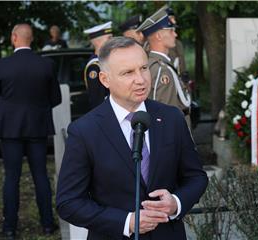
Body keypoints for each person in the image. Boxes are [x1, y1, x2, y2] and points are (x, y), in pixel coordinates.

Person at [56, 37, 208, 240]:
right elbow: (68, 202)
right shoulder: (84, 131)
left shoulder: (172, 118)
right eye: (128, 72)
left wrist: (176, 203)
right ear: (104, 79)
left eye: (143, 68)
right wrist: (126, 222)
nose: (141, 79)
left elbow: (196, 177)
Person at [0, 23, 61, 240]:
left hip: (10, 129)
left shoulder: (2, 64)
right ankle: (47, 224)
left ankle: (9, 228)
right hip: (37, 127)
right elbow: (56, 98)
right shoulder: (46, 65)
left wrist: (7, 111)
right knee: (41, 176)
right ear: (31, 38)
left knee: (12, 178)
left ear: (14, 38)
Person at [137, 6, 192, 125]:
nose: (175, 35)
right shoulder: (161, 70)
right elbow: (162, 115)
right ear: (159, 36)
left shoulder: (156, 63)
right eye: (171, 30)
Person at [83, 21, 112, 109]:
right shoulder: (94, 66)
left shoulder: (103, 61)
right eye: (109, 38)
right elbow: (96, 99)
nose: (112, 40)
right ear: (98, 42)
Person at [166, 7, 187, 75]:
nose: (174, 21)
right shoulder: (155, 44)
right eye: (170, 18)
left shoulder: (178, 43)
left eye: (173, 18)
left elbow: (182, 65)